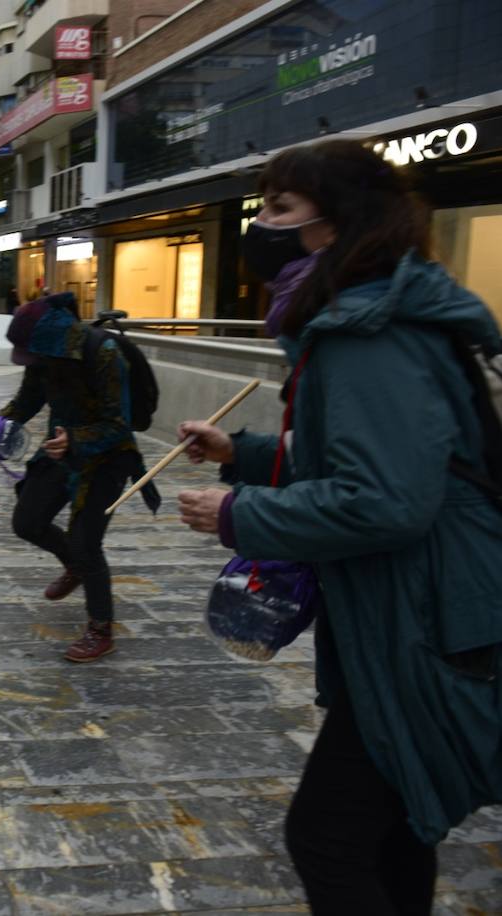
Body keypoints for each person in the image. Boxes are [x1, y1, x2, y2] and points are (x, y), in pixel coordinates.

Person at [175, 139, 502, 914]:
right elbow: (390, 455)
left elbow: (388, 499)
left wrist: (240, 514)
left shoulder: (368, 333)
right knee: (395, 831)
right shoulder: (374, 314)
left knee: (329, 838)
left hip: (425, 618)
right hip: (415, 611)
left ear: (336, 221)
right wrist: (246, 455)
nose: (261, 226)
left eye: (280, 208)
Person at [0, 292, 143, 663]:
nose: (33, 363)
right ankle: (74, 566)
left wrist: (76, 439)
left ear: (52, 339)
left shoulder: (104, 353)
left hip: (107, 458)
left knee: (86, 541)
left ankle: (100, 627)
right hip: (60, 450)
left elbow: (119, 424)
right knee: (27, 521)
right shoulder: (42, 356)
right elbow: (28, 399)